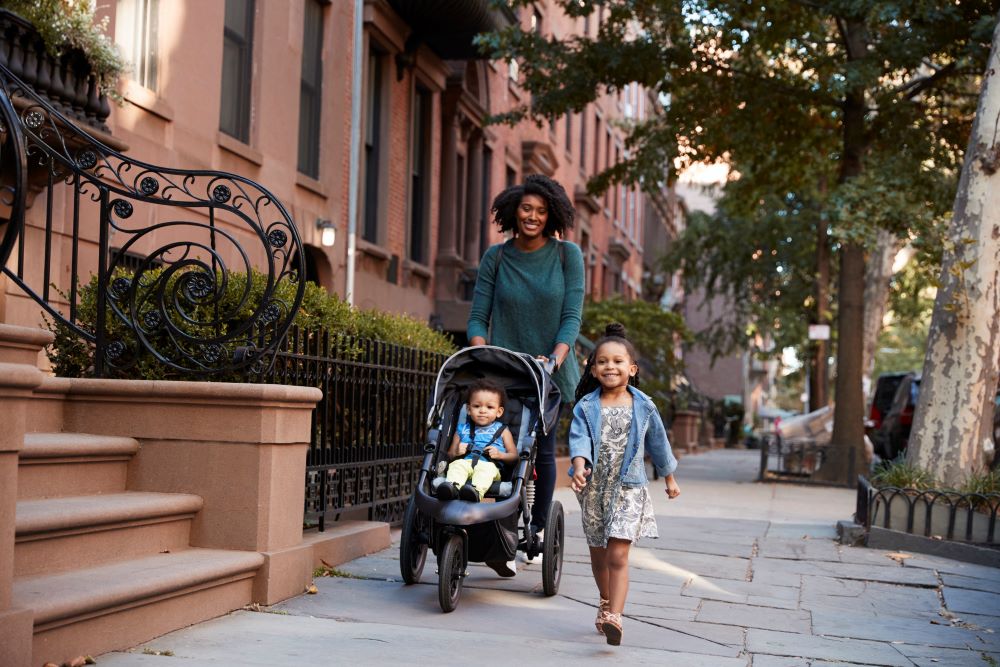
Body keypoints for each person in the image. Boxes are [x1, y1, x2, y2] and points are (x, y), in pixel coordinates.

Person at [467, 174, 584, 576]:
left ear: (551, 215)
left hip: (550, 371)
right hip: (503, 370)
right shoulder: (496, 257)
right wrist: (481, 351)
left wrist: (554, 357)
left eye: (541, 211)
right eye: (526, 209)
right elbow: (478, 316)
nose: (532, 217)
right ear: (514, 212)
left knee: (541, 451)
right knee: (496, 446)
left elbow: (571, 317)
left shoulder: (568, 255)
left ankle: (533, 529)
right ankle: (496, 529)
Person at [569, 323, 680, 646]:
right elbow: (578, 440)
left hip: (630, 488)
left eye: (618, 361)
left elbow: (658, 442)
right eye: (602, 361)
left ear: (632, 369)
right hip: (594, 490)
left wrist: (669, 477)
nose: (610, 366)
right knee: (599, 556)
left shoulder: (644, 405)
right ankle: (605, 601)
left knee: (618, 554)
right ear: (592, 369)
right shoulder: (586, 406)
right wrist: (578, 465)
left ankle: (615, 615)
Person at [435, 379, 518, 503]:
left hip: (490, 467)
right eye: (477, 406)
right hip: (466, 463)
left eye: (489, 407)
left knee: (485, 470)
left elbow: (514, 456)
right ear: (468, 409)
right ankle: (451, 489)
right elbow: (450, 455)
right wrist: (457, 452)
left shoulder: (503, 431)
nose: (482, 410)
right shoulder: (462, 430)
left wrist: (501, 455)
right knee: (456, 465)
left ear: (499, 412)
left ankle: (475, 492)